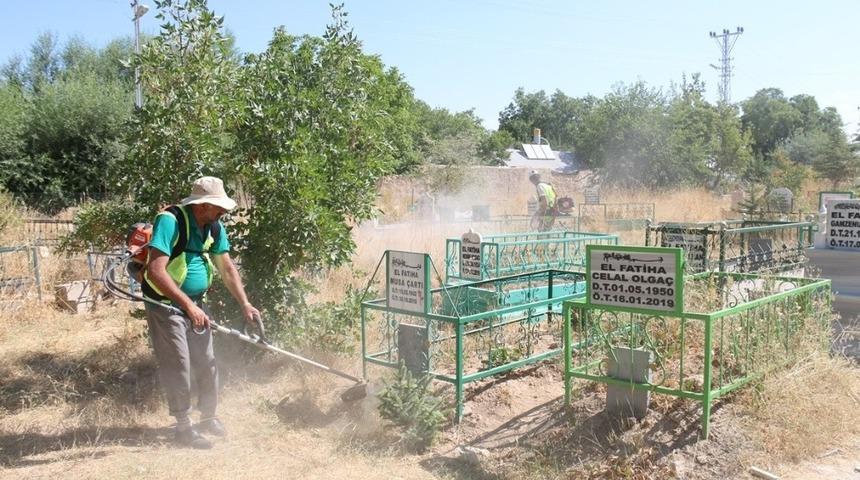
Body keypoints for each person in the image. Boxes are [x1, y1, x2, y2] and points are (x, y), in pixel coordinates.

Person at [141, 176, 260, 449]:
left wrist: (245, 303)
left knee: (206, 359)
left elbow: (227, 268)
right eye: (218, 207)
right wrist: (187, 306)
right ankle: (183, 428)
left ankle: (208, 417)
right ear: (202, 205)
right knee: (179, 362)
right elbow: (156, 271)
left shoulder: (214, 226)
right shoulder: (170, 221)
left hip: (195, 302)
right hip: (165, 303)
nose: (224, 212)